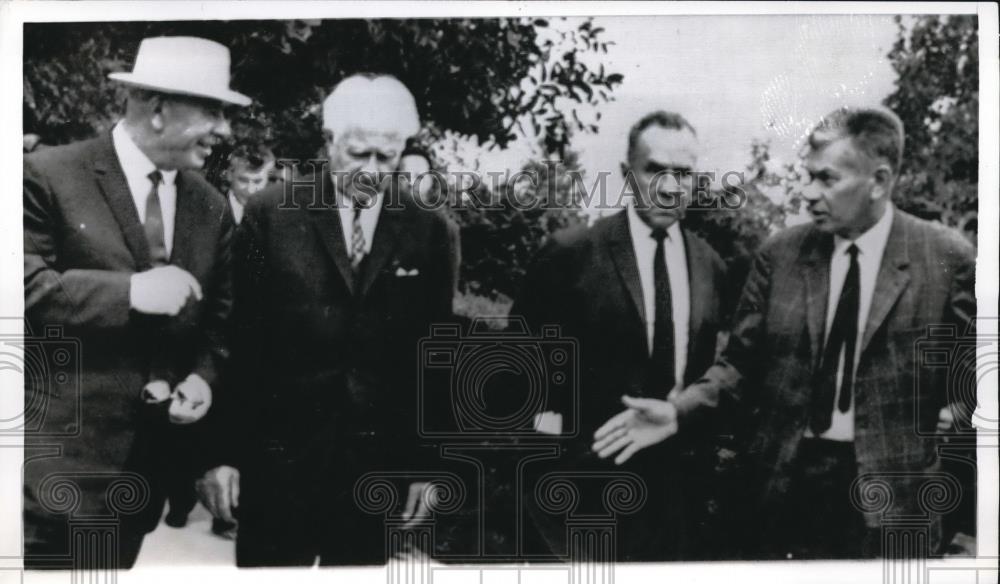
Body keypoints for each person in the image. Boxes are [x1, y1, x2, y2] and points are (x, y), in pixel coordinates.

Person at [594, 107, 976, 559]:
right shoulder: (781, 254)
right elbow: (738, 366)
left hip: (893, 504)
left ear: (879, 181)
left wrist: (960, 407)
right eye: (807, 175)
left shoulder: (945, 257)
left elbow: (978, 370)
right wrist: (677, 413)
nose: (808, 193)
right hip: (782, 492)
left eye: (827, 180)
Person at [197, 74, 456, 567]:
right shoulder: (272, 214)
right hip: (278, 461)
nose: (373, 170)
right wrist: (220, 453)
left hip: (374, 470)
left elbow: (434, 354)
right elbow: (237, 338)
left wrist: (428, 466)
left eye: (387, 157)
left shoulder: (428, 229)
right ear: (330, 143)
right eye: (359, 154)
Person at [23, 36, 249, 568]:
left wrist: (201, 380)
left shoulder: (210, 206)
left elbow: (222, 323)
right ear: (157, 108)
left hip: (140, 483)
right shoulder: (47, 175)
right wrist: (130, 292)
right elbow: (21, 287)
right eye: (213, 110)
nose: (225, 130)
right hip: (45, 477)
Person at [511, 111, 729, 561]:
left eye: (684, 174)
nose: (670, 187)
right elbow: (517, 374)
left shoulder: (710, 266)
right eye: (655, 170)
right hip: (577, 499)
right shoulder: (570, 255)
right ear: (628, 175)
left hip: (672, 504)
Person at [397, 140, 462, 295]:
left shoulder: (444, 228)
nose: (411, 182)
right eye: (404, 176)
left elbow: (445, 291)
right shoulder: (377, 221)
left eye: (419, 176)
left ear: (431, 181)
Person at [226, 143, 276, 225]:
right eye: (243, 180)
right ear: (229, 175)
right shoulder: (214, 209)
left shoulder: (271, 217)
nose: (250, 190)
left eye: (257, 182)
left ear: (267, 180)